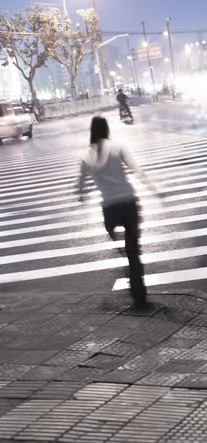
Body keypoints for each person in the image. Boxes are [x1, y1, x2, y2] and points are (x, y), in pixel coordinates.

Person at [76, 116, 159, 308]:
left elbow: (81, 184)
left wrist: (81, 195)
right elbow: (136, 169)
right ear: (106, 130)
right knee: (133, 250)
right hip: (129, 203)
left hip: (110, 209)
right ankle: (139, 293)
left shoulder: (86, 155)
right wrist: (154, 189)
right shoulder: (117, 147)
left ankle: (125, 258)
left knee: (118, 241)